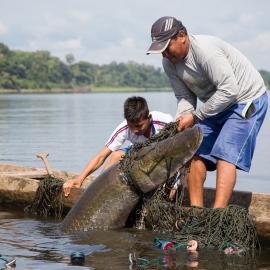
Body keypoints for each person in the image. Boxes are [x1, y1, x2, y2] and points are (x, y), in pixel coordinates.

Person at [147, 16, 268, 208]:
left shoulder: (205, 51)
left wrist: (195, 117)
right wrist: (184, 116)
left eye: (167, 47)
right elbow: (184, 96)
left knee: (225, 154)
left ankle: (217, 217)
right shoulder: (169, 63)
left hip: (246, 100)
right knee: (195, 152)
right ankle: (196, 213)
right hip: (215, 104)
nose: (165, 55)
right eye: (160, 51)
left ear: (182, 36)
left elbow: (229, 90)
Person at [63, 96, 173, 196]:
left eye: (139, 126)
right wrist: (80, 179)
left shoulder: (166, 123)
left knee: (170, 191)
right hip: (139, 154)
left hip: (164, 157)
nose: (134, 130)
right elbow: (101, 156)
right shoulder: (124, 128)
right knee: (116, 155)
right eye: (131, 126)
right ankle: (98, 190)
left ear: (149, 118)